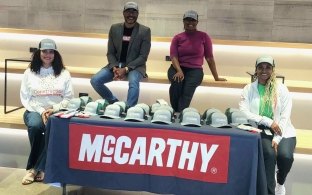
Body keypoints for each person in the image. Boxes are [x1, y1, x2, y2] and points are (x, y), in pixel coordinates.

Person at [239, 55, 296, 195]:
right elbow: (244, 112)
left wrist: (277, 138)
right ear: (256, 70)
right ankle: (269, 192)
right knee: (269, 155)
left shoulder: (282, 89)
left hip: (283, 130)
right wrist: (268, 121)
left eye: (268, 67)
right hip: (261, 129)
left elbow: (284, 115)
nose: (264, 70)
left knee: (285, 157)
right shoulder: (248, 89)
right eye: (260, 67)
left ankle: (280, 183)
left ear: (273, 70)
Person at [20, 38, 74, 185]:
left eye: (51, 51)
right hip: (34, 110)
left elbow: (69, 98)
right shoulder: (29, 73)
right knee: (36, 126)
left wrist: (53, 110)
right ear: (39, 53)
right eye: (45, 51)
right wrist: (41, 111)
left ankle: (34, 168)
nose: (48, 54)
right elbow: (25, 98)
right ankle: (42, 167)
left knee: (53, 128)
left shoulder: (64, 73)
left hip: (57, 112)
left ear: (56, 54)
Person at [90, 1, 151, 109]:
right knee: (95, 80)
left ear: (138, 14)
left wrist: (126, 69)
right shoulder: (114, 28)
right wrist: (114, 67)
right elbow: (110, 52)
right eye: (128, 11)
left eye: (134, 12)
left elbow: (143, 56)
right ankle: (115, 103)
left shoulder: (145, 31)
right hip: (116, 65)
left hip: (136, 67)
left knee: (133, 82)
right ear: (123, 13)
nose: (131, 15)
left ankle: (129, 109)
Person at [167, 10, 226, 113]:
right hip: (177, 67)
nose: (190, 22)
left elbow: (209, 58)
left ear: (197, 22)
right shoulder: (177, 38)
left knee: (187, 90)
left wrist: (216, 77)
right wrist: (179, 70)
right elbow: (173, 56)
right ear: (183, 21)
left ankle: (179, 113)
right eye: (187, 20)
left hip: (195, 70)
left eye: (193, 20)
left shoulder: (204, 37)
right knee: (177, 83)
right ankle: (176, 112)